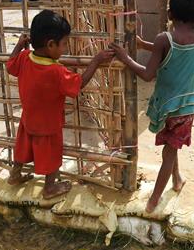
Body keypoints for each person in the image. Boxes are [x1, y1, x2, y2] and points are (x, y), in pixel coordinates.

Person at [110, 0, 194, 213]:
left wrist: (125, 58)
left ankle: (154, 199)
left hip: (167, 107)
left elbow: (147, 74)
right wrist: (145, 45)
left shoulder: (165, 38)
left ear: (170, 14)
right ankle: (177, 180)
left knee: (168, 152)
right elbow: (175, 52)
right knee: (172, 147)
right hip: (187, 106)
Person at [6, 10, 114, 198]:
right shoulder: (56, 71)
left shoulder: (24, 58)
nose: (65, 49)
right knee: (52, 157)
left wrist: (18, 46)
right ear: (50, 44)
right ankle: (49, 188)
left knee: (22, 149)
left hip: (28, 119)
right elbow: (79, 84)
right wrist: (96, 61)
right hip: (49, 125)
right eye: (64, 44)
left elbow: (10, 65)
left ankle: (15, 175)